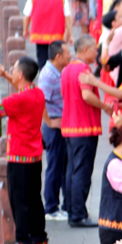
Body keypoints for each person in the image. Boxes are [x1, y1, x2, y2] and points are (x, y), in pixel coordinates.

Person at [0, 58, 47, 244]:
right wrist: (6, 75)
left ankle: (24, 241)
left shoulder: (20, 100)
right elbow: (21, 88)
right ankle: (39, 237)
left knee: (19, 200)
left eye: (13, 69)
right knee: (34, 198)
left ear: (20, 75)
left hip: (19, 157)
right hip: (34, 157)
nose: (12, 71)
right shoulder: (37, 93)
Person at [62, 34, 121, 229]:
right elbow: (87, 95)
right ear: (85, 50)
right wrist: (104, 107)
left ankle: (72, 209)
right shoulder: (83, 70)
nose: (97, 53)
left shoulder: (67, 68)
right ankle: (79, 214)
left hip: (69, 126)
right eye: (95, 49)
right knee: (82, 171)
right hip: (84, 126)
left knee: (72, 170)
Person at [37, 39, 71, 218]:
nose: (70, 55)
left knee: (63, 166)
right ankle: (51, 208)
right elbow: (40, 99)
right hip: (54, 126)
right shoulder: (49, 75)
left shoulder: (59, 71)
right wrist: (49, 122)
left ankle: (65, 205)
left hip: (61, 124)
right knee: (54, 167)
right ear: (58, 56)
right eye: (67, 53)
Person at [24, 0, 70, 69]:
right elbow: (68, 18)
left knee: (42, 62)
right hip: (57, 36)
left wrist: (25, 29)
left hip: (40, 35)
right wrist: (70, 35)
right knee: (57, 62)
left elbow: (26, 16)